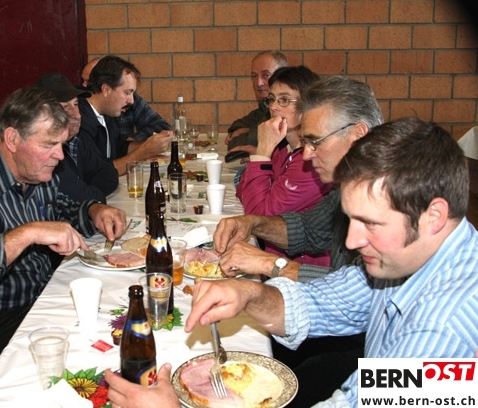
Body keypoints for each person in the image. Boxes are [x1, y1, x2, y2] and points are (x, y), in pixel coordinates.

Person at [107, 117, 478, 407]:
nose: (352, 241)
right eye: (351, 220)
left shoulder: (445, 330)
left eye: (371, 224)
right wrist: (250, 295)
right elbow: (329, 301)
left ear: (433, 216)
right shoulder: (406, 260)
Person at [0, 87, 128, 368]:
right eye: (49, 144)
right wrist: (29, 233)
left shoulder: (36, 172)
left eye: (62, 144)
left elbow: (62, 210)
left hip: (39, 297)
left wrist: (94, 211)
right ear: (12, 139)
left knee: (119, 322)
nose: (59, 156)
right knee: (85, 361)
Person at [217, 75, 384, 406]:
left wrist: (270, 264)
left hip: (360, 350)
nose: (306, 155)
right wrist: (253, 224)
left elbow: (408, 387)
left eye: (315, 142)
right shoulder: (354, 185)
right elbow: (311, 231)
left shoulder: (389, 196)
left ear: (358, 133)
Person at [235, 65, 331, 267]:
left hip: (301, 270)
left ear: (308, 107)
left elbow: (258, 217)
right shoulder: (283, 149)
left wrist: (262, 151)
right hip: (276, 257)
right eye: (271, 99)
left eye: (284, 100)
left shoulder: (311, 163)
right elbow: (242, 191)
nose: (274, 107)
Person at [78, 55, 173, 175]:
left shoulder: (107, 113)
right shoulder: (80, 120)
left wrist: (151, 145)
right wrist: (144, 152)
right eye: (127, 93)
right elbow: (99, 173)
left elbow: (120, 148)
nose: (131, 101)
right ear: (106, 89)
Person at [34, 73, 119, 203]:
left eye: (76, 104)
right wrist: (88, 195)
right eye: (65, 107)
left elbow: (108, 173)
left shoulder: (75, 141)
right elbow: (77, 195)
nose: (77, 115)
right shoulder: (45, 152)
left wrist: (87, 192)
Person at [81, 57, 172, 142]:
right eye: (87, 81)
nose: (85, 86)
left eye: (89, 81)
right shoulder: (82, 116)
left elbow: (162, 126)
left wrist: (130, 141)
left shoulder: (114, 108)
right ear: (105, 89)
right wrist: (142, 149)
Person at [225, 50, 289, 152]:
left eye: (266, 75)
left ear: (282, 77)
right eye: (254, 76)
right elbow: (238, 124)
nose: (258, 83)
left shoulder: (287, 109)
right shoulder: (265, 105)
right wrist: (244, 130)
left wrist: (249, 131)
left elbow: (237, 143)